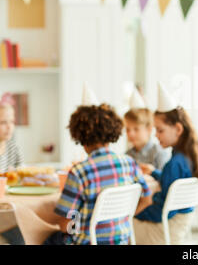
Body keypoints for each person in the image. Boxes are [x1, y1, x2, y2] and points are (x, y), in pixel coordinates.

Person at [44, 85, 152, 245]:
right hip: (121, 241)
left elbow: (66, 225)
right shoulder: (129, 163)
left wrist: (80, 226)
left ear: (78, 134)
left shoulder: (79, 172)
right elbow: (147, 199)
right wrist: (123, 218)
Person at [133, 82, 198, 244]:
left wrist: (135, 211)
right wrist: (154, 172)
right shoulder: (188, 158)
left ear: (178, 129)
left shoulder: (174, 164)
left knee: (126, 225)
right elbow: (173, 183)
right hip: (179, 228)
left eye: (160, 130)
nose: (156, 135)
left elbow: (160, 211)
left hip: (164, 232)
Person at [124, 88, 170, 172]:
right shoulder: (127, 156)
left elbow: (164, 180)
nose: (130, 134)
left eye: (136, 129)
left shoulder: (158, 153)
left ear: (149, 129)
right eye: (127, 129)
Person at [0, 93, 24, 173]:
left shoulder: (13, 148)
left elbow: (22, 172)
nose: (9, 127)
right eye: (3, 122)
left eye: (12, 121)